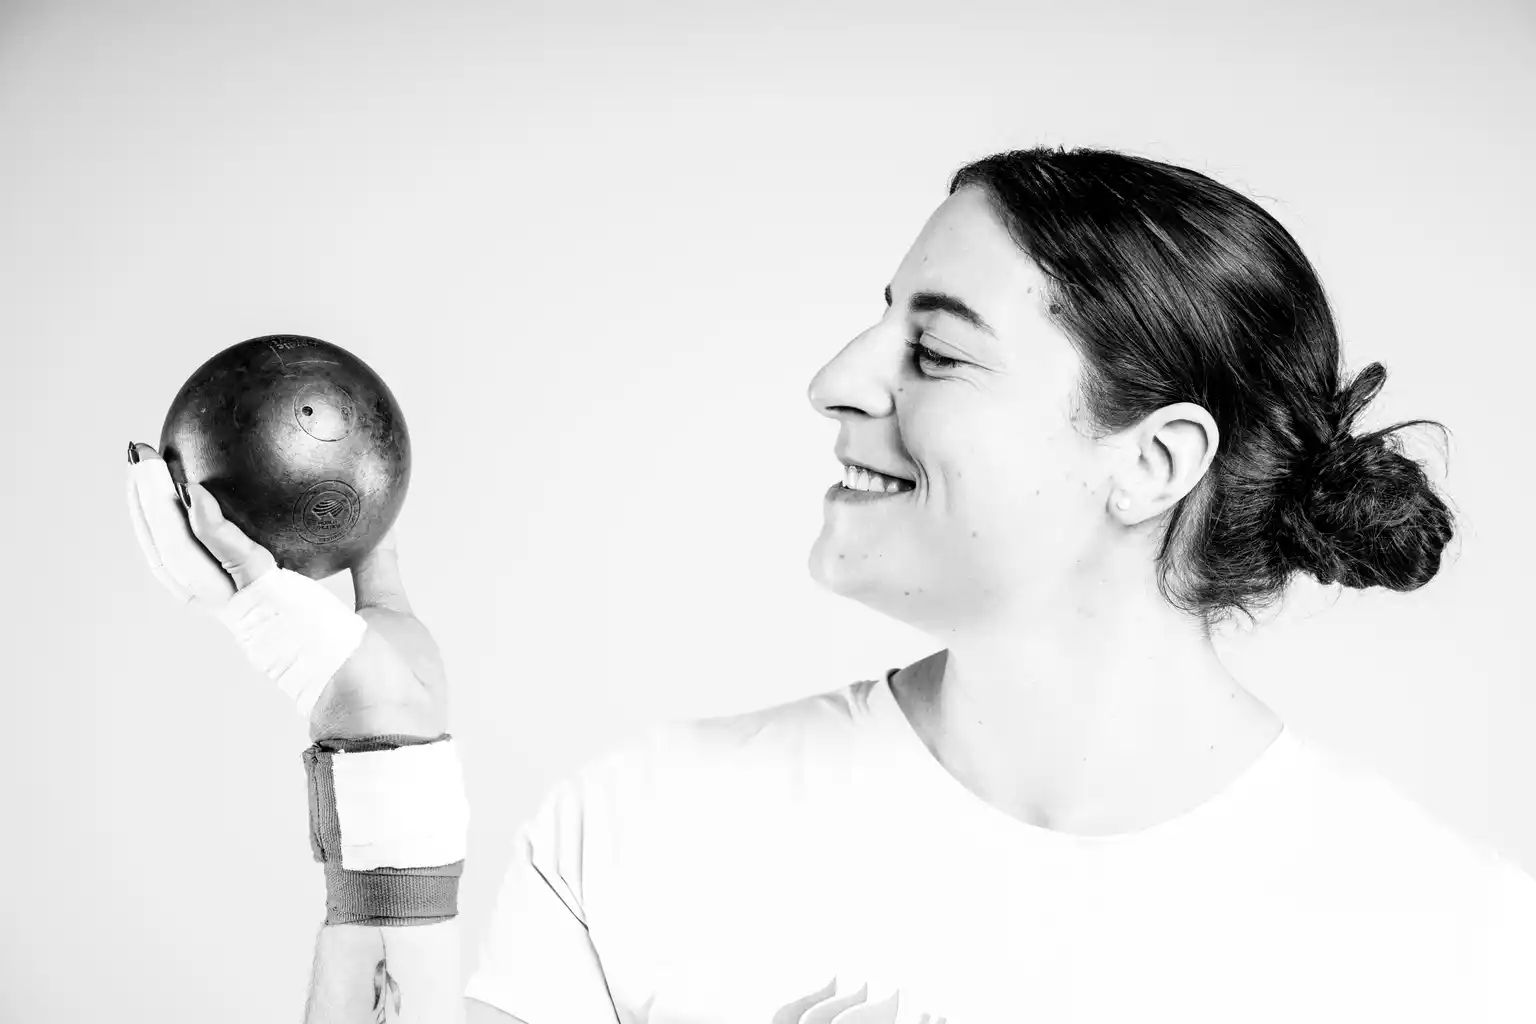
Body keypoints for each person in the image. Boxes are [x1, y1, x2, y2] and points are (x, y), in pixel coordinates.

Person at [126, 146, 1536, 1024]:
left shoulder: (1449, 939)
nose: (833, 381)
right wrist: (387, 761)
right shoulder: (651, 831)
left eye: (933, 352)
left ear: (1151, 461)